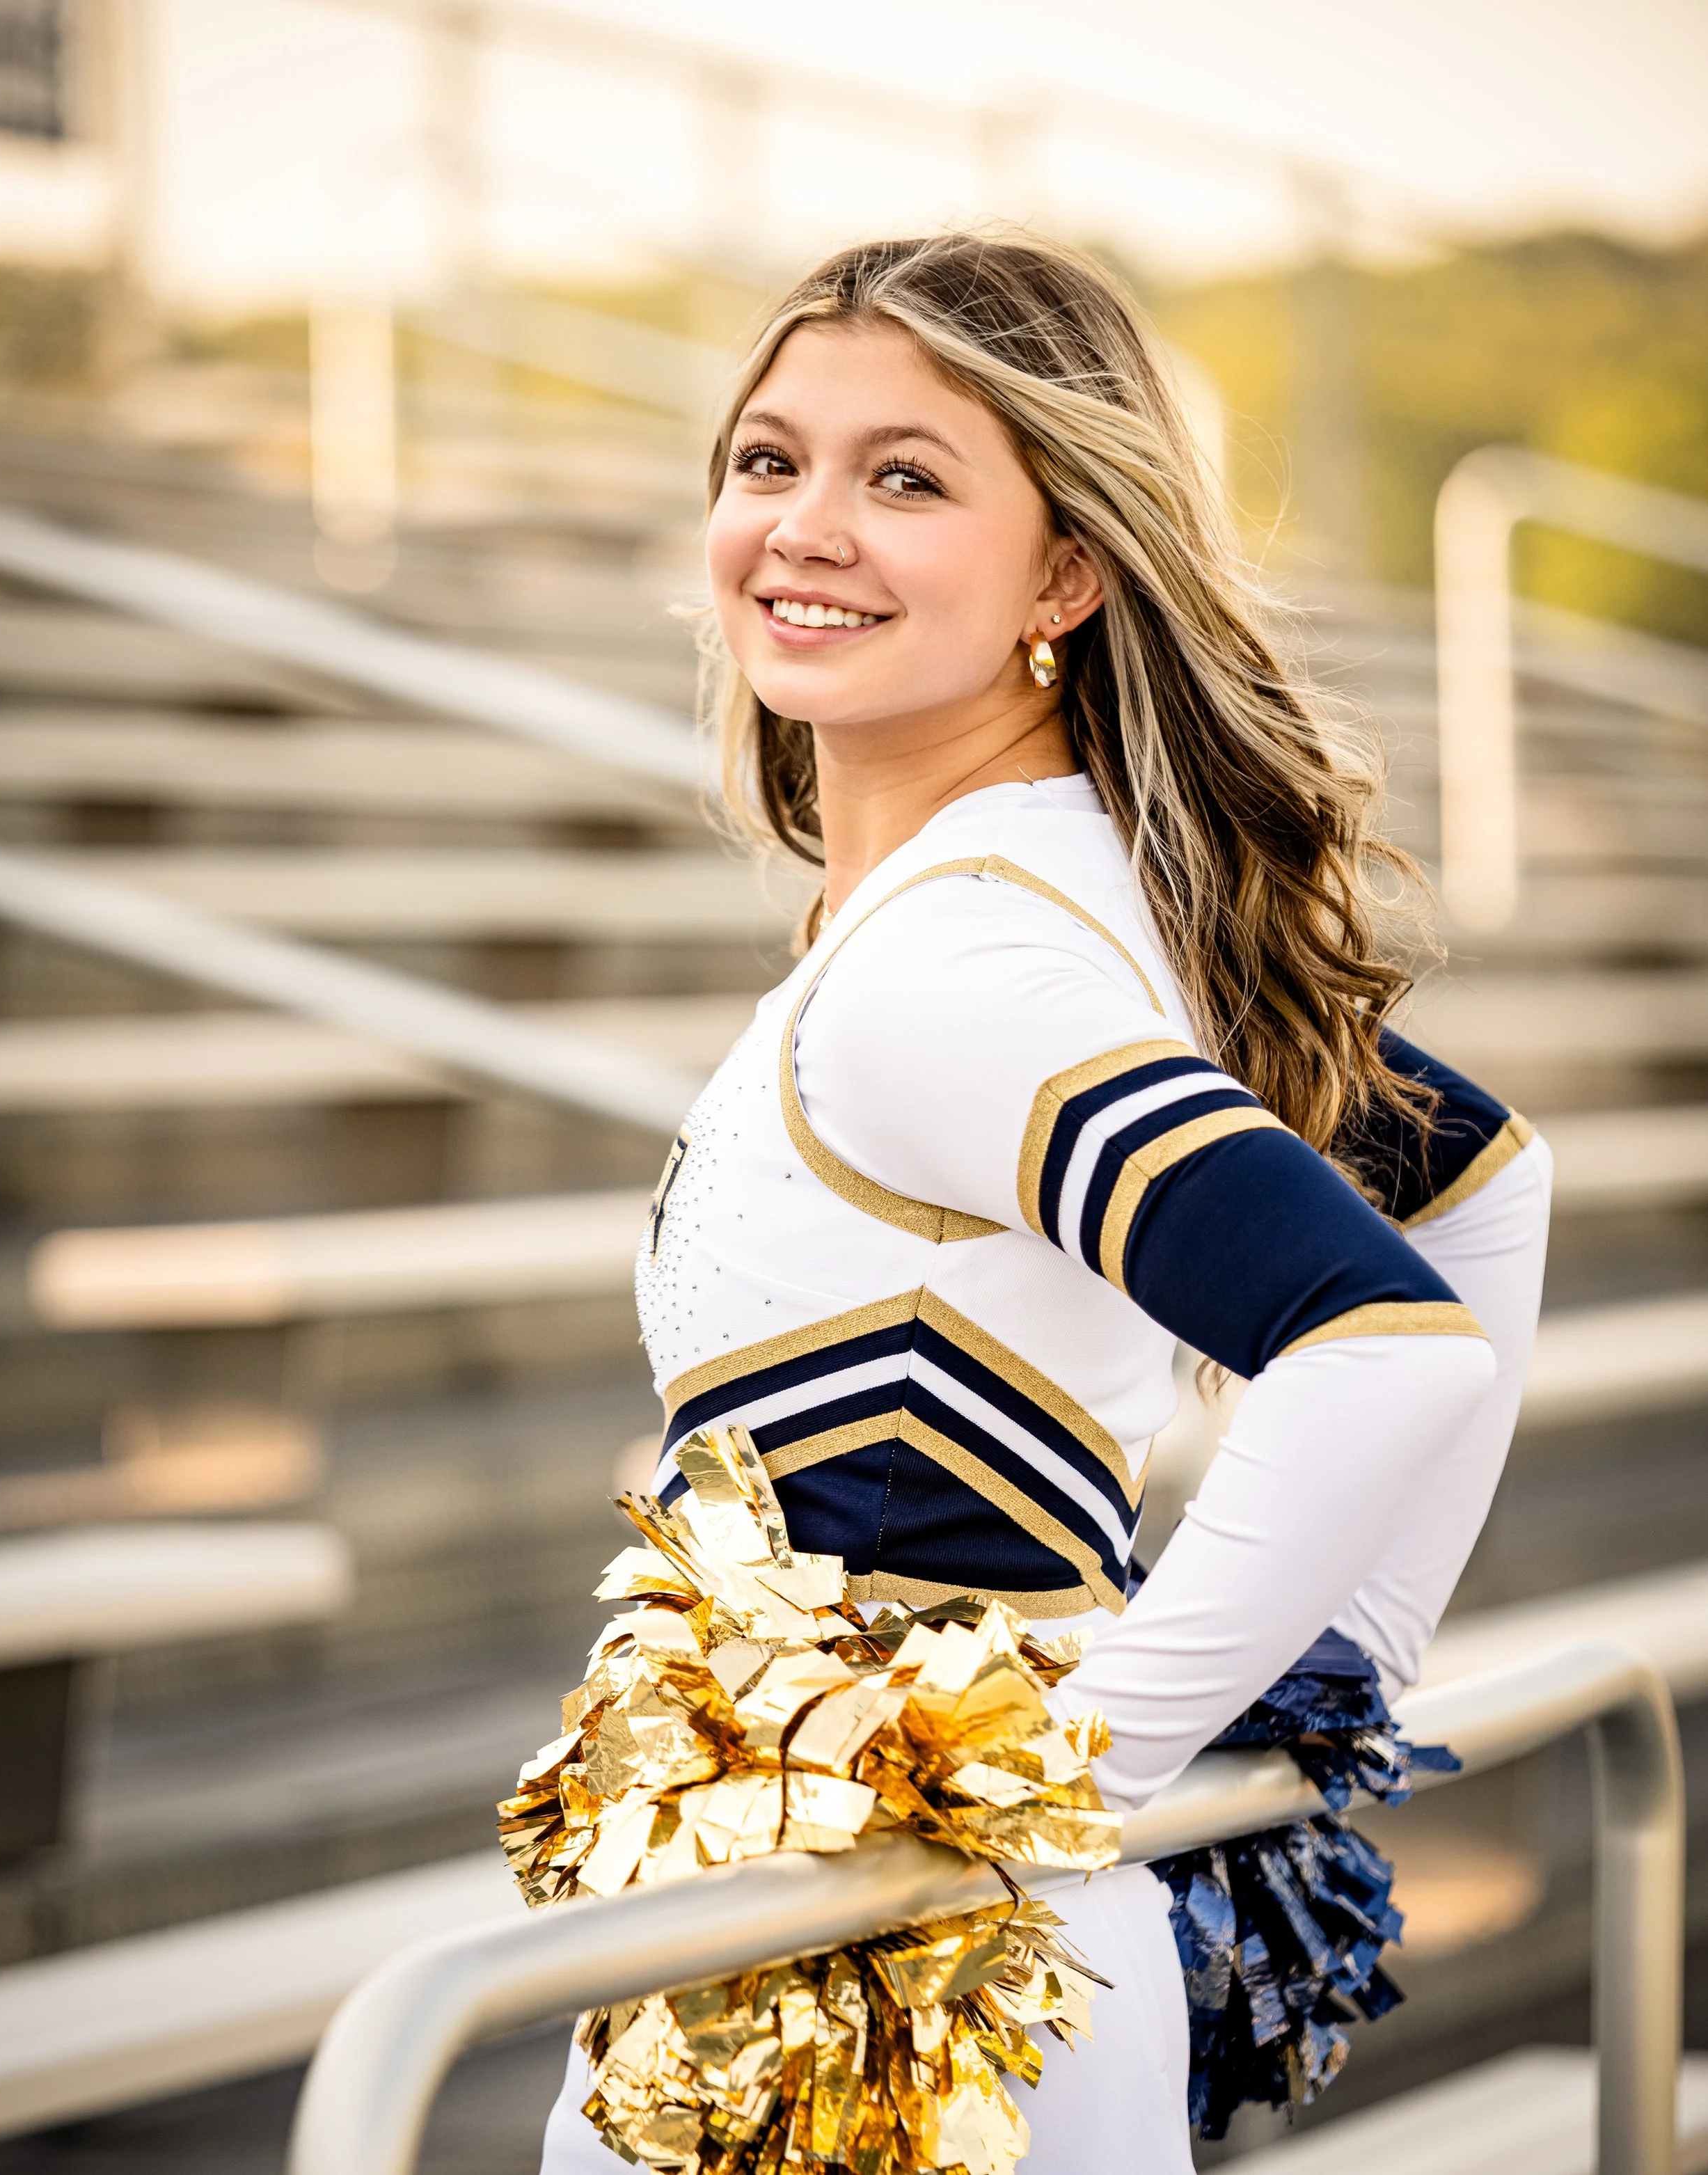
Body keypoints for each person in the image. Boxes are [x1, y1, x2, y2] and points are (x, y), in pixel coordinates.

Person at [540, 231, 1551, 2174]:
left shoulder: (959, 966)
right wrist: (1328, 1665)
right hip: (898, 1962)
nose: (805, 526)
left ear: (1066, 575)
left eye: (904, 477)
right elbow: (1488, 1193)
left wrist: (1085, 1765)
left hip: (885, 1992)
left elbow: (1382, 1334)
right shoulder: (1065, 897)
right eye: (770, 461)